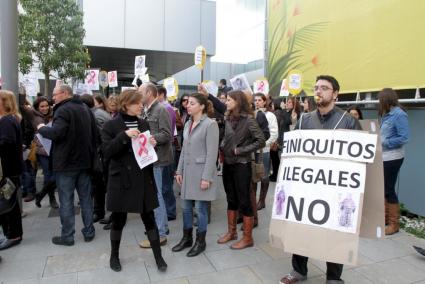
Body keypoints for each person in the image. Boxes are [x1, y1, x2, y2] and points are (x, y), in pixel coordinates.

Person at [280, 75, 361, 284]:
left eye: (324, 88)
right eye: (316, 87)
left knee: (335, 231)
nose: (318, 91)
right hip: (307, 188)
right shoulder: (304, 120)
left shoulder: (349, 121)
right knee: (301, 227)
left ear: (335, 94)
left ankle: (334, 277)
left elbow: (358, 161)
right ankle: (298, 270)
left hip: (334, 189)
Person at [101, 89, 167, 272]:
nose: (141, 105)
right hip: (121, 180)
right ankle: (114, 256)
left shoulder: (144, 123)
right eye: (137, 102)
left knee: (149, 219)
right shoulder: (111, 125)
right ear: (126, 104)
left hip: (143, 178)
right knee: (118, 220)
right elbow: (106, 152)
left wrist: (151, 144)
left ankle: (158, 257)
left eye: (141, 102)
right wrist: (123, 136)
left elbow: (144, 150)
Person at [37, 85, 96, 246]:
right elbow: (94, 134)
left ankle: (68, 236)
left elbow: (56, 133)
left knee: (67, 200)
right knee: (85, 199)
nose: (52, 98)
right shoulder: (85, 108)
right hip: (84, 162)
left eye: (55, 95)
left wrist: (41, 128)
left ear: (64, 93)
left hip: (66, 164)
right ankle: (89, 232)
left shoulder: (62, 110)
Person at [218, 90, 265, 250]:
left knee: (244, 200)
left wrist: (241, 150)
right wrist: (223, 145)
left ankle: (247, 237)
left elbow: (261, 141)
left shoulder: (249, 120)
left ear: (238, 101)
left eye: (229, 100)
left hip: (242, 164)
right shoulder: (227, 117)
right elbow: (225, 136)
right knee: (231, 198)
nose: (226, 102)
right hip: (228, 163)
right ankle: (232, 232)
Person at [173, 93, 219, 257]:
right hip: (187, 173)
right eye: (187, 103)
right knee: (185, 207)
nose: (188, 105)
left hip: (201, 174)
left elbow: (212, 154)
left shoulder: (210, 125)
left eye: (192, 103)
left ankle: (201, 241)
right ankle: (186, 238)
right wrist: (179, 170)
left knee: (200, 210)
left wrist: (207, 178)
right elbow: (184, 149)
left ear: (202, 106)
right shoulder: (187, 124)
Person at [138, 83, 172, 248]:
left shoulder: (160, 109)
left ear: (149, 93)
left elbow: (167, 134)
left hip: (157, 159)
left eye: (140, 92)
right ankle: (161, 228)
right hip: (151, 159)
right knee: (156, 195)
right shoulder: (147, 109)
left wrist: (151, 139)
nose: (138, 95)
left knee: (157, 196)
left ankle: (160, 234)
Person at [378, 88, 409, 235]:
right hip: (385, 157)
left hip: (393, 157)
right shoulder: (388, 114)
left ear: (386, 99)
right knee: (384, 187)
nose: (379, 103)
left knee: (389, 188)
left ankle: (394, 224)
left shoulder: (399, 115)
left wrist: (385, 142)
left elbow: (404, 138)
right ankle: (385, 219)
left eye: (380, 100)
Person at [0, 90, 24, 251]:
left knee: (8, 203)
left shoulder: (7, 121)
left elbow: (6, 143)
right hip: (10, 170)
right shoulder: (10, 119)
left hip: (8, 172)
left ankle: (13, 234)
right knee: (8, 202)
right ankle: (11, 233)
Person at [32, 97, 59, 208]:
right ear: (37, 107)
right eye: (42, 106)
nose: (45, 108)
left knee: (55, 174)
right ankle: (51, 198)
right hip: (42, 151)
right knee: (48, 175)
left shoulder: (55, 114)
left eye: (46, 105)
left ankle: (41, 194)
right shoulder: (35, 117)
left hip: (54, 149)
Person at [253, 93, 278, 210]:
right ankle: (252, 199)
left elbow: (274, 134)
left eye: (259, 100)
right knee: (253, 176)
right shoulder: (252, 114)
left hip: (264, 151)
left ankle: (262, 201)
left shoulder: (270, 115)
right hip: (251, 151)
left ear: (264, 102)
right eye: (255, 100)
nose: (257, 102)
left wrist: (262, 145)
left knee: (264, 175)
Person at [157, 86, 177, 221]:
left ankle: (170, 211)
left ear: (162, 94)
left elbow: (167, 132)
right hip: (163, 150)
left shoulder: (166, 109)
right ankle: (168, 211)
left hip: (166, 149)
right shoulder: (163, 108)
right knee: (164, 185)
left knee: (166, 185)